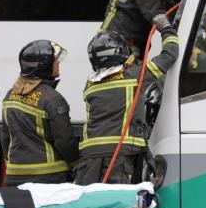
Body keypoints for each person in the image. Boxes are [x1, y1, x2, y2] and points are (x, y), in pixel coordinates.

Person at [75, 22, 179, 185]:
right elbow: (170, 54)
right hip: (120, 153)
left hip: (90, 154)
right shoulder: (135, 74)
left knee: (91, 200)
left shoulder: (90, 84)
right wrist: (166, 28)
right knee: (119, 202)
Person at [0, 40, 80, 186]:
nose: (58, 64)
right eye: (55, 61)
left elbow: (5, 138)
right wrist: (78, 163)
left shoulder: (10, 95)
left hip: (14, 177)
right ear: (44, 66)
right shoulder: (52, 99)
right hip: (47, 178)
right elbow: (64, 141)